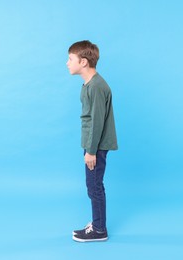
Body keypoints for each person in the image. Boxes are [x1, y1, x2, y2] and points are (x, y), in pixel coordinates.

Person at [66, 40, 118, 242]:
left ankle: (99, 230)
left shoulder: (96, 86)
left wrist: (91, 151)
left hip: (95, 147)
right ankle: (98, 224)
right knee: (94, 185)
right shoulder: (90, 84)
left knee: (94, 186)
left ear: (84, 62)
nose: (67, 63)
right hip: (92, 145)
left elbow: (96, 122)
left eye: (71, 59)